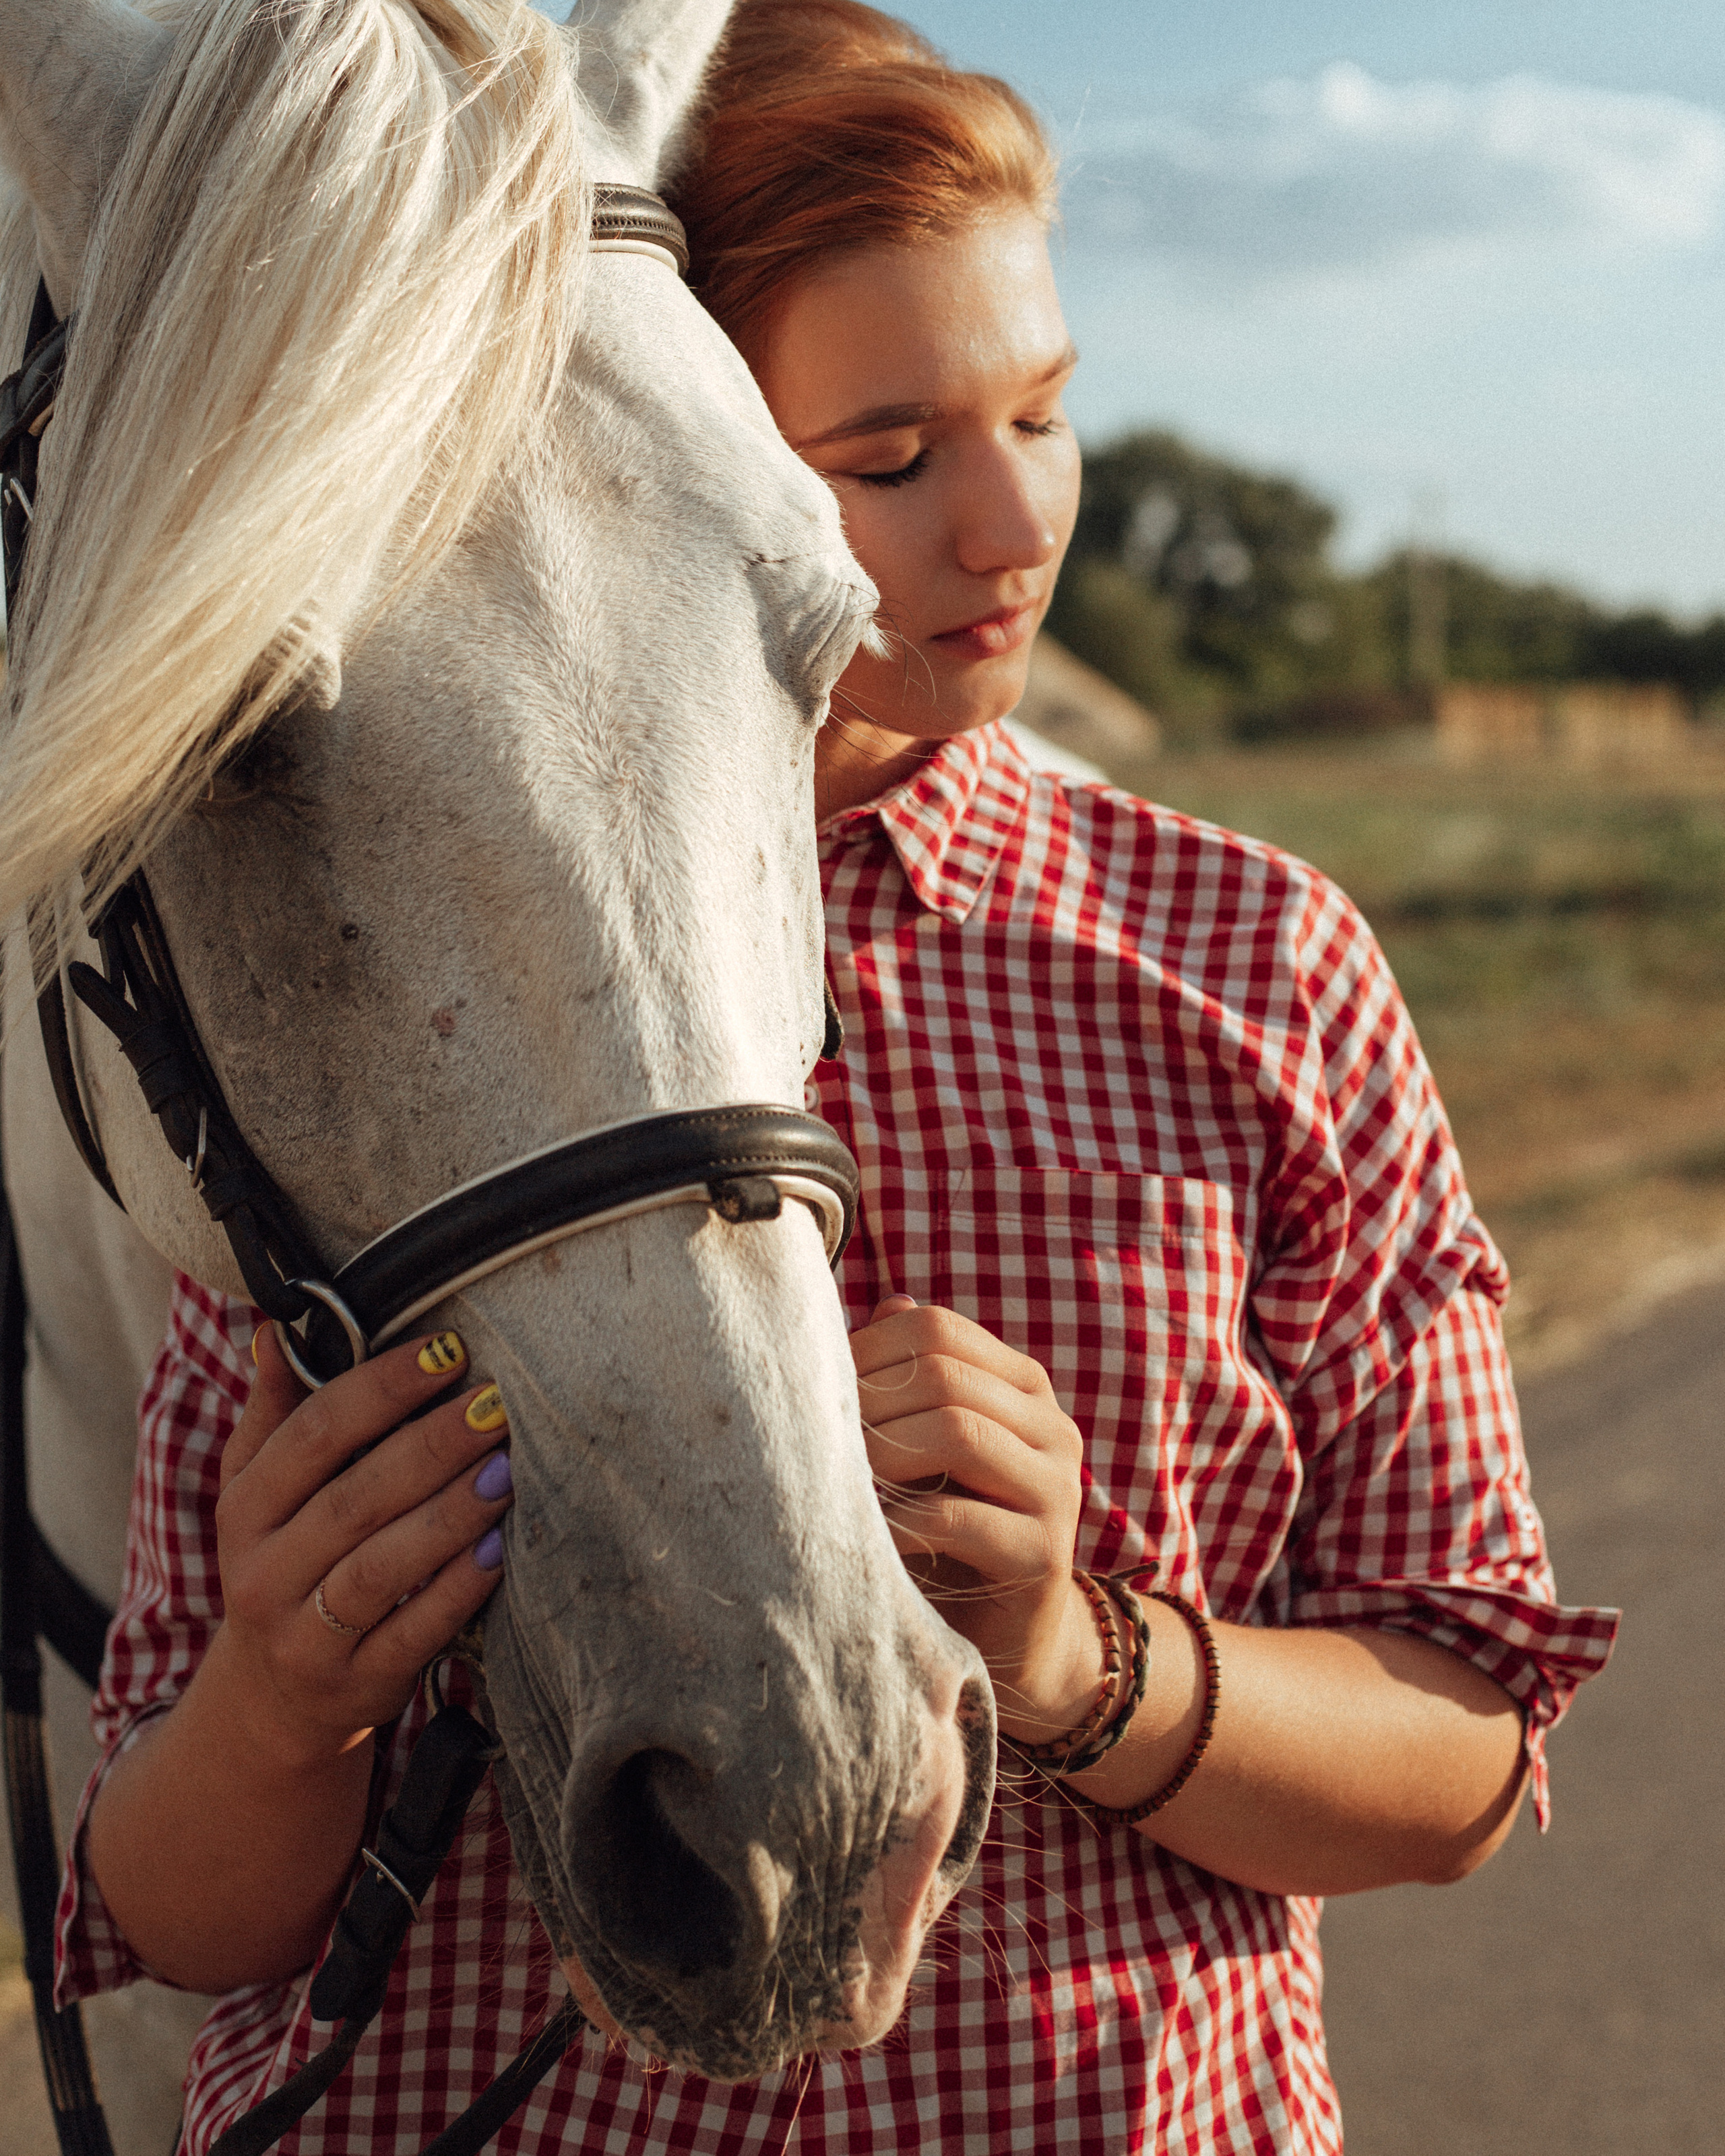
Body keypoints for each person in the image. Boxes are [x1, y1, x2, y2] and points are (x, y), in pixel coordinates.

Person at [57, 3, 1618, 2148]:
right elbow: (166, 1910)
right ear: (640, 433)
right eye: (887, 460)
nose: (1013, 528)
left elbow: (1467, 1756)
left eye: (1045, 413)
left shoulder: (1258, 965)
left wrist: (1080, 1660)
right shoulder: (355, 971)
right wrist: (280, 1696)